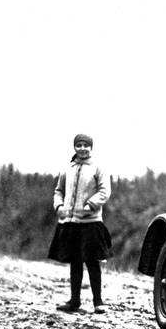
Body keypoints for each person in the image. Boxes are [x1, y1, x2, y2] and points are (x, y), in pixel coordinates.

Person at [49, 134, 112, 313]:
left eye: (86, 145)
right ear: (74, 148)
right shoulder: (67, 169)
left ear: (91, 148)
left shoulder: (98, 168)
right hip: (70, 222)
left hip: (90, 222)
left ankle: (98, 302)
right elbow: (58, 191)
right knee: (75, 261)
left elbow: (104, 191)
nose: (82, 148)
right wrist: (59, 206)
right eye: (79, 145)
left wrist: (90, 205)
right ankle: (74, 301)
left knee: (92, 261)